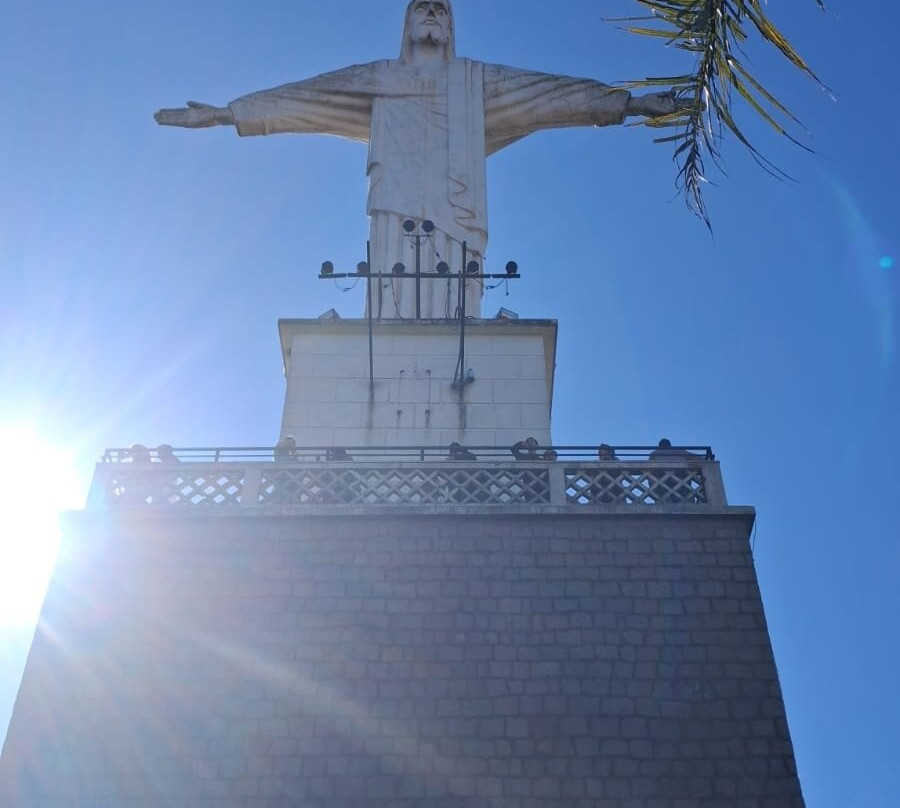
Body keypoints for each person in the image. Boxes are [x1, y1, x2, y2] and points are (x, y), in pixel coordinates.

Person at [155, 0, 682, 318]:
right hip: (395, 201)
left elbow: (547, 96)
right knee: (392, 292)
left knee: (455, 304)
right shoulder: (379, 77)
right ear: (407, 23)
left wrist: (627, 104)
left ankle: (461, 337)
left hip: (457, 207)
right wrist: (231, 113)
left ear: (449, 27)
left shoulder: (475, 81)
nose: (431, 15)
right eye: (422, 7)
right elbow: (310, 99)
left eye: (440, 9)